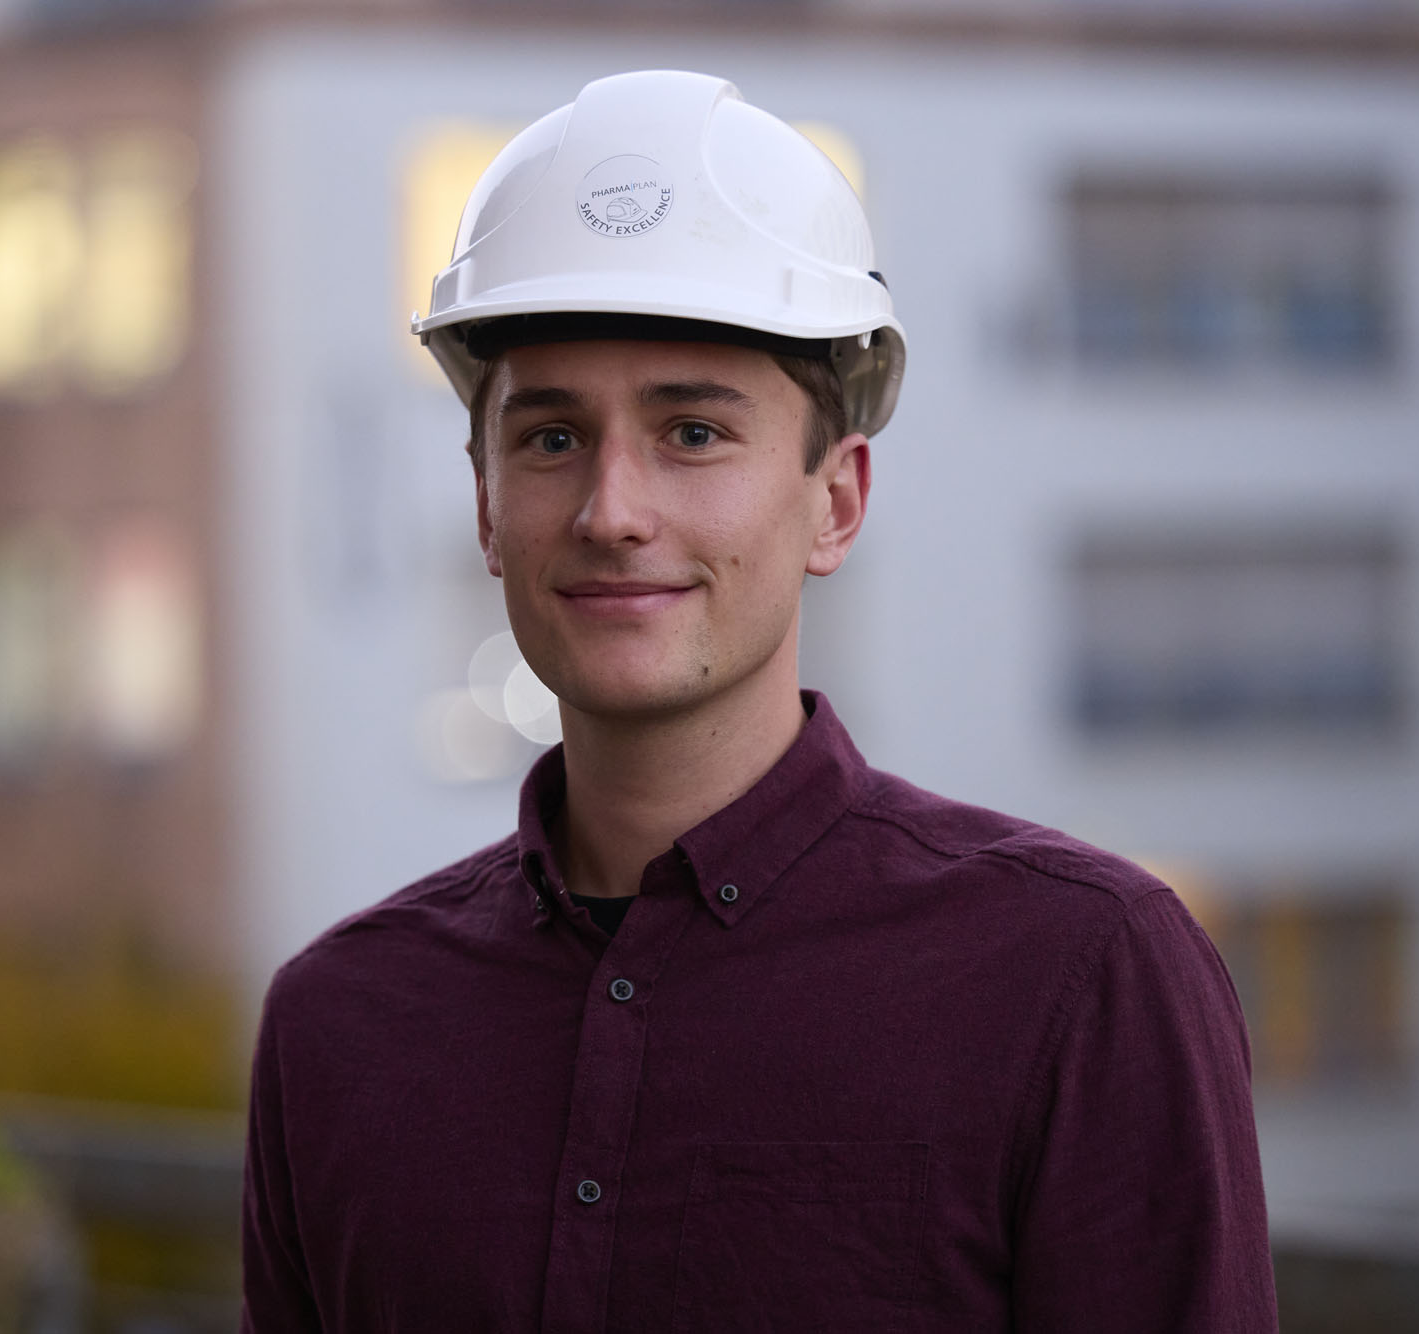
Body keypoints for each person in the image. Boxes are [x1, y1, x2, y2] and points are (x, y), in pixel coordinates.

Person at [241, 69, 1276, 1332]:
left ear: (834, 502)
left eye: (691, 434)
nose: (612, 510)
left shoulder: (1082, 976)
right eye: (552, 438)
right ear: (483, 507)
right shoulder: (337, 1026)